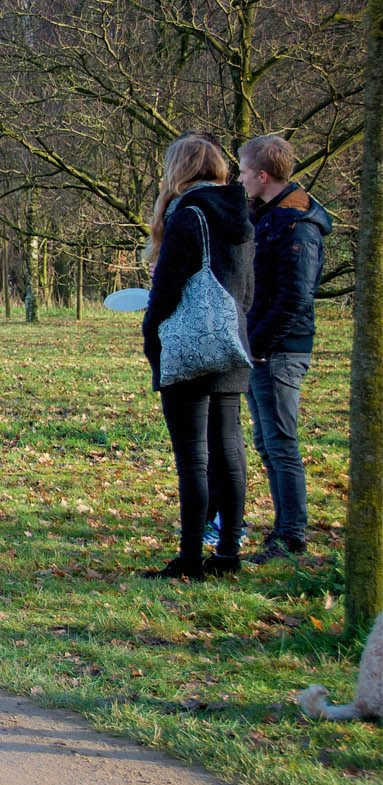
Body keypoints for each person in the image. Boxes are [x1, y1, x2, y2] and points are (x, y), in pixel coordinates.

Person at [140, 132, 253, 580]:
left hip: (190, 343)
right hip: (230, 340)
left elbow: (167, 290)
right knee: (229, 450)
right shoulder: (239, 215)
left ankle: (190, 558)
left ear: (178, 169)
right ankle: (228, 553)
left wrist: (152, 334)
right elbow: (247, 287)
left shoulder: (187, 215)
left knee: (193, 457)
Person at [238, 134, 332, 564]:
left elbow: (295, 297)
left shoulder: (298, 225)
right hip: (261, 347)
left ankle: (291, 536)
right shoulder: (266, 216)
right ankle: (284, 530)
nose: (240, 179)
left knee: (280, 444)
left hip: (279, 351)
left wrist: (258, 345)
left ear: (263, 175)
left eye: (243, 171)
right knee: (267, 442)